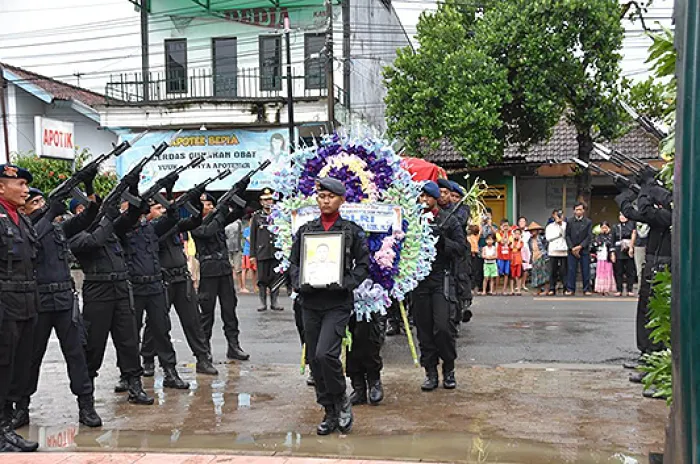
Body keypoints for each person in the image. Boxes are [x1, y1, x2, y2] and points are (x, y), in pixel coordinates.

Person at [14, 185, 102, 430]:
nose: (42, 207)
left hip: (64, 299)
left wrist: (89, 190)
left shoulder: (58, 228)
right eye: (35, 204)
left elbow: (88, 217)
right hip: (39, 301)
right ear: (23, 209)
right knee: (31, 358)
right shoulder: (23, 229)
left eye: (44, 202)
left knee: (76, 355)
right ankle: (21, 406)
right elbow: (33, 237)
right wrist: (50, 212)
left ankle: (86, 404)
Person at [289, 176, 369, 435]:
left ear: (341, 200)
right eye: (321, 196)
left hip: (337, 303)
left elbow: (364, 266)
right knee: (314, 359)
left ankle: (341, 399)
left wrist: (345, 283)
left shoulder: (352, 231)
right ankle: (328, 410)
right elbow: (293, 264)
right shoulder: (306, 231)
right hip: (310, 302)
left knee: (326, 354)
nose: (325, 201)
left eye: (330, 197)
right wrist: (298, 282)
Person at [69, 186, 154, 406]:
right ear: (80, 210)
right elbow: (94, 241)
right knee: (94, 344)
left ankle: (134, 384)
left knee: (128, 340)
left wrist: (133, 190)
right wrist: (105, 214)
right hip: (98, 291)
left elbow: (130, 218)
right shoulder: (74, 233)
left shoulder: (110, 228)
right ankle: (86, 396)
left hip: (121, 288)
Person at [116, 198, 189, 389]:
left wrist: (170, 199)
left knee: (162, 330)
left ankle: (170, 372)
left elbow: (171, 219)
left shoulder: (151, 228)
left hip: (155, 286)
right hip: (134, 287)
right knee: (130, 334)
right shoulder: (121, 230)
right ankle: (127, 375)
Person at [142, 200, 218, 376]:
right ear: (149, 212)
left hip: (181, 277)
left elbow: (192, 222)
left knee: (193, 320)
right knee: (155, 322)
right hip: (163, 279)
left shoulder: (173, 224)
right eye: (157, 208)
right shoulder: (149, 228)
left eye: (163, 208)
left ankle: (202, 358)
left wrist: (196, 206)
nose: (162, 211)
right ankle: (147, 359)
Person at [0, 164, 40, 453]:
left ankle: (6, 427)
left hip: (26, 303)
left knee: (17, 368)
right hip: (4, 304)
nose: (26, 190)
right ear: (2, 187)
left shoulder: (21, 220)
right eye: (21, 184)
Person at [615, 173, 671, 378]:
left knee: (655, 314)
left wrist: (647, 190)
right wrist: (625, 194)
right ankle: (646, 354)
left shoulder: (671, 213)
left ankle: (654, 360)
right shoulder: (660, 211)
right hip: (653, 263)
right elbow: (633, 213)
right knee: (644, 310)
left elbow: (646, 210)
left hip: (663, 266)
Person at [413, 181, 464, 391]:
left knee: (443, 327)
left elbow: (461, 248)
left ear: (435, 199)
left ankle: (449, 368)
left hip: (441, 278)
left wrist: (444, 242)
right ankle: (430, 372)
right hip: (419, 280)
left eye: (427, 197)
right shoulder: (413, 220)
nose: (423, 200)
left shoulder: (448, 221)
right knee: (423, 328)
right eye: (421, 197)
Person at [192, 192, 249, 362]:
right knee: (206, 314)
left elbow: (238, 213)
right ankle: (204, 350)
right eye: (205, 205)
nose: (209, 208)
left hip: (224, 270)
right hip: (209, 272)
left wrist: (237, 194)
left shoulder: (218, 219)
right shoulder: (194, 224)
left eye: (211, 204)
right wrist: (220, 213)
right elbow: (208, 232)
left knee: (229, 310)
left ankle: (234, 346)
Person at [250, 188, 283, 312]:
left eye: (270, 199)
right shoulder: (257, 216)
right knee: (262, 278)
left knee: (276, 278)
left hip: (276, 252)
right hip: (262, 252)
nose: (268, 202)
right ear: (261, 202)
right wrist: (252, 255)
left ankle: (274, 302)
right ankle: (263, 302)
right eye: (265, 200)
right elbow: (253, 236)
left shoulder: (279, 214)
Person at [565, 203, 593, 295]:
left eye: (580, 209)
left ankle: (586, 289)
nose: (578, 211)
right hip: (572, 249)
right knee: (571, 269)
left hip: (583, 249)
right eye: (577, 209)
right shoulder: (569, 221)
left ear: (583, 211)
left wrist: (580, 246)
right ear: (574, 211)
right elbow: (567, 235)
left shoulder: (588, 222)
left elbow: (589, 236)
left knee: (585, 270)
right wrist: (572, 248)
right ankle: (570, 289)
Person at [613, 212, 637, 297]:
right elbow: (612, 241)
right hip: (619, 251)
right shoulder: (616, 227)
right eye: (620, 215)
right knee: (618, 271)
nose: (622, 217)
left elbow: (634, 237)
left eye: (624, 215)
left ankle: (629, 289)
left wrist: (630, 246)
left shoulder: (632, 226)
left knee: (630, 271)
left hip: (629, 250)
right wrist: (612, 253)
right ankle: (619, 289)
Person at [545, 211, 568, 295]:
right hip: (553, 250)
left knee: (564, 271)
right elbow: (548, 238)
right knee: (552, 271)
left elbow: (565, 235)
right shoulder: (550, 226)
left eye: (560, 215)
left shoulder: (566, 225)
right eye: (556, 215)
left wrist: (561, 224)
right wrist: (558, 235)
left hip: (564, 250)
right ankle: (552, 288)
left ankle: (565, 288)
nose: (558, 217)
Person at [593, 221, 616, 296]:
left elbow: (612, 244)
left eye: (606, 228)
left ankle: (607, 288)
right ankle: (600, 288)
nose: (604, 229)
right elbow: (596, 244)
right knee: (600, 272)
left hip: (608, 256)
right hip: (600, 256)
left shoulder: (611, 236)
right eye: (603, 228)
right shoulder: (598, 236)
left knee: (608, 271)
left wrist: (612, 254)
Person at [527, 222, 548, 295]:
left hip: (541, 256)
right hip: (534, 258)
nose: (532, 232)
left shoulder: (541, 238)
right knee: (536, 275)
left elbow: (545, 246)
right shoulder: (530, 240)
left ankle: (546, 290)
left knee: (544, 274)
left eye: (534, 230)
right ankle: (539, 290)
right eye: (531, 231)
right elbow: (531, 250)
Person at [225, 218, 245, 292]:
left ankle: (241, 287)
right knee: (228, 268)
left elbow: (241, 234)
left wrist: (242, 246)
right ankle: (229, 287)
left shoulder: (238, 222)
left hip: (237, 247)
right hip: (226, 247)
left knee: (238, 269)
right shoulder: (224, 220)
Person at [241, 214, 257, 292]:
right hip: (247, 252)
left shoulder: (256, 230)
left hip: (255, 252)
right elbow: (249, 240)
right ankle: (243, 287)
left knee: (255, 270)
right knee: (245, 269)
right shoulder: (247, 230)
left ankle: (255, 287)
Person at [496, 219, 512, 295]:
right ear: (501, 226)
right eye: (504, 226)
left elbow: (509, 242)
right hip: (500, 256)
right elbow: (502, 242)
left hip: (508, 257)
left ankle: (504, 290)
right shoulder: (498, 233)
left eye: (507, 226)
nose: (506, 227)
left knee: (506, 273)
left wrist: (507, 233)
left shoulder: (511, 234)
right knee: (499, 273)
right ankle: (496, 289)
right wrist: (504, 233)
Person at [510, 228, 524, 295]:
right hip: (512, 260)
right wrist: (513, 238)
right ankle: (512, 290)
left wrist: (520, 239)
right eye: (516, 233)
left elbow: (518, 247)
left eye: (518, 234)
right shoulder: (511, 242)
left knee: (519, 276)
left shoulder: (521, 242)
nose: (517, 235)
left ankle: (518, 289)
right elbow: (512, 247)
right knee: (512, 276)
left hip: (518, 260)